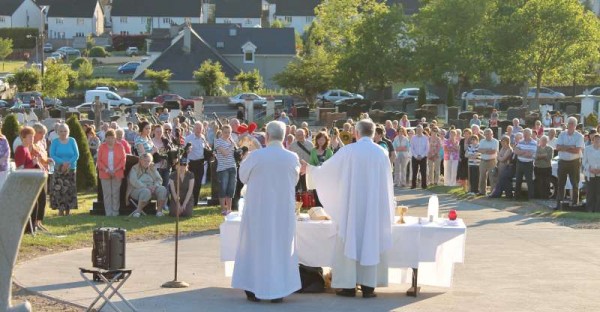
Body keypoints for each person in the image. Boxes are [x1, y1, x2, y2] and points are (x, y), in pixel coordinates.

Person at [302, 120, 394, 299]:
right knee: (370, 240)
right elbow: (387, 183)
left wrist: (311, 170)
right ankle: (369, 287)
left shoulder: (348, 151)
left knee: (350, 239)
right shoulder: (381, 153)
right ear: (373, 133)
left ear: (356, 133)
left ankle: (348, 286)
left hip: (352, 208)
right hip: (373, 208)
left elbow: (327, 171)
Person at [232, 121, 301, 303]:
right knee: (279, 249)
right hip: (281, 210)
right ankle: (278, 290)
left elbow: (243, 177)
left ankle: (253, 288)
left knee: (255, 248)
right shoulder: (292, 157)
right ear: (284, 136)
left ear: (267, 137)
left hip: (258, 209)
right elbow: (294, 181)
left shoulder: (256, 156)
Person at [15, 126, 43, 233]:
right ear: (23, 137)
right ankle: (28, 229)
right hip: (23, 182)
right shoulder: (20, 149)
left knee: (34, 204)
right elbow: (21, 168)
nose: (32, 139)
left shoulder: (26, 149)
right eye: (30, 137)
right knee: (31, 204)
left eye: (33, 136)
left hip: (29, 181)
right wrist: (34, 163)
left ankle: (31, 228)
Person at [49, 123, 79, 216]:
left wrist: (68, 163)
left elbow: (76, 154)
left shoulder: (72, 140)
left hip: (71, 168)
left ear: (68, 131)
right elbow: (52, 154)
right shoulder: (55, 142)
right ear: (58, 132)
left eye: (65, 131)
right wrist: (62, 163)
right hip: (59, 169)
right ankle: (60, 210)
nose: (63, 133)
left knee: (70, 189)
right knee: (59, 189)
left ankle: (68, 210)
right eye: (61, 131)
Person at [555, 117, 585, 208]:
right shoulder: (562, 134)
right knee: (561, 183)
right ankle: (559, 203)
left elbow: (577, 150)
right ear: (567, 124)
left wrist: (564, 147)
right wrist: (570, 147)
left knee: (575, 183)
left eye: (573, 123)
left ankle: (575, 203)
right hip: (562, 162)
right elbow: (557, 147)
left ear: (575, 125)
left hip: (574, 162)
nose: (571, 125)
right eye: (569, 123)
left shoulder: (579, 136)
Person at [129, 153, 168, 217]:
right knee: (146, 191)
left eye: (148, 161)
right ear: (140, 160)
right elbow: (133, 181)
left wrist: (155, 186)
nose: (147, 162)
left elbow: (159, 179)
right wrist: (146, 187)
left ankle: (159, 212)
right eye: (145, 160)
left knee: (162, 189)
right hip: (137, 189)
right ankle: (138, 212)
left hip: (152, 188)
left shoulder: (152, 168)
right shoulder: (135, 168)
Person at [97, 130, 126, 216]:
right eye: (108, 138)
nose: (110, 140)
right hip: (104, 173)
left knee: (115, 193)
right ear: (105, 138)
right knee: (107, 194)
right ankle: (108, 212)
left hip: (117, 173)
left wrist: (115, 169)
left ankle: (115, 212)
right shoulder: (102, 147)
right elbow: (99, 161)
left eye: (112, 138)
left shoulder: (120, 146)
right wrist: (107, 170)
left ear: (115, 138)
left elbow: (123, 159)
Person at [215, 125, 238, 216]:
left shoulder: (231, 140)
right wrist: (232, 146)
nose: (227, 134)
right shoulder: (218, 141)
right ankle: (223, 209)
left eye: (229, 132)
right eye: (225, 132)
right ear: (222, 132)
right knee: (223, 189)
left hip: (232, 166)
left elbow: (235, 153)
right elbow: (224, 153)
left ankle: (229, 208)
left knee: (231, 189)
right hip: (223, 168)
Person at [185, 122, 210, 206]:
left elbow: (205, 148)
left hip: (201, 163)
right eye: (197, 128)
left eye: (200, 128)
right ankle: (189, 201)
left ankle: (195, 201)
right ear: (194, 129)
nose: (199, 130)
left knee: (198, 183)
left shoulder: (203, 137)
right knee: (191, 183)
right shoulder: (188, 138)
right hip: (191, 163)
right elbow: (185, 152)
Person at [31, 123, 50, 231]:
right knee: (38, 199)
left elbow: (43, 158)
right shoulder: (31, 145)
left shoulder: (41, 144)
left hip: (44, 172)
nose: (42, 135)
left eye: (44, 133)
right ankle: (34, 222)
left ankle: (39, 221)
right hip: (35, 174)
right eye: (40, 133)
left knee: (43, 199)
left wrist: (48, 160)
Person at [513, 128, 537, 200]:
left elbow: (530, 154)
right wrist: (524, 152)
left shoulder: (534, 143)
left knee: (529, 180)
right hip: (520, 163)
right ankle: (517, 196)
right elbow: (516, 151)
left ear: (530, 134)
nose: (525, 135)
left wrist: (521, 152)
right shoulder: (520, 142)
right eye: (524, 133)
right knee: (518, 180)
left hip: (528, 164)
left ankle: (530, 197)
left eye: (526, 134)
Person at [288, 128, 314, 192]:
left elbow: (313, 156)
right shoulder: (292, 146)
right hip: (297, 169)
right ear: (296, 136)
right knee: (295, 188)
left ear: (305, 134)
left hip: (307, 169)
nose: (300, 136)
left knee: (306, 188)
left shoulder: (310, 144)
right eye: (298, 135)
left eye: (301, 134)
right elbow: (290, 158)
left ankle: (306, 201)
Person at [478, 128, 499, 195]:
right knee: (482, 177)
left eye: (488, 134)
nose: (487, 135)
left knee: (492, 177)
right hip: (483, 161)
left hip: (492, 161)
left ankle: (493, 192)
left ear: (492, 134)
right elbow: (480, 150)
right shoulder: (482, 141)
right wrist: (488, 150)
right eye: (486, 134)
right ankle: (482, 191)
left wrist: (484, 150)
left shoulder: (495, 141)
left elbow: (493, 151)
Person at [151, 124, 173, 189]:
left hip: (166, 167)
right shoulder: (151, 142)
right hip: (156, 168)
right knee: (158, 187)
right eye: (157, 131)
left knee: (166, 186)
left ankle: (165, 199)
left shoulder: (165, 141)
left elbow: (170, 151)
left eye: (160, 131)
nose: (159, 133)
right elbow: (147, 155)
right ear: (154, 132)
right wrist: (153, 152)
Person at [583, 133, 600, 212]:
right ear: (592, 140)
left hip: (599, 174)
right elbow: (584, 162)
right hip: (590, 174)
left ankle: (597, 210)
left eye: (599, 139)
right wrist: (590, 169)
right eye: (595, 139)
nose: (597, 141)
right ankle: (589, 210)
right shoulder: (587, 149)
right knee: (590, 193)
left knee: (598, 193)